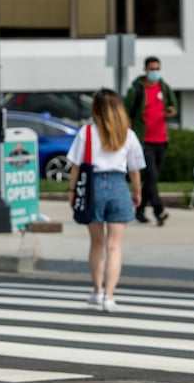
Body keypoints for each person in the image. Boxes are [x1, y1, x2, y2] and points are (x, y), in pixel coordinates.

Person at [67, 90, 146, 313]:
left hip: (93, 187)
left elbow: (75, 165)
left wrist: (72, 191)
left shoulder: (87, 132)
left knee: (97, 244)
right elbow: (135, 168)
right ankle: (110, 296)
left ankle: (97, 290)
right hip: (119, 185)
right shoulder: (127, 134)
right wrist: (137, 190)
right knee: (115, 246)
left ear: (96, 108)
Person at [126, 56, 177, 225]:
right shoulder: (137, 89)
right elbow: (127, 112)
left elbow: (173, 105)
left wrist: (171, 111)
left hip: (161, 139)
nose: (155, 72)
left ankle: (139, 210)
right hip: (144, 140)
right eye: (152, 69)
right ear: (145, 70)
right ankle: (159, 210)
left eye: (157, 69)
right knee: (151, 175)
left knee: (150, 178)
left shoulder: (164, 87)